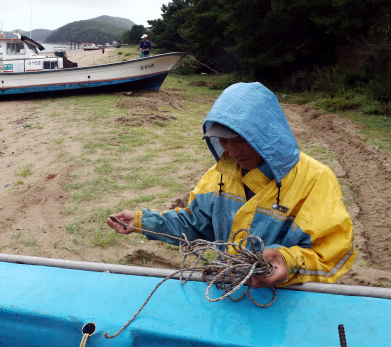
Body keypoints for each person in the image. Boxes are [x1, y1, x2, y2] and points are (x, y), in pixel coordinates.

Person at [107, 82, 355, 289]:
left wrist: (287, 261)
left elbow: (332, 255)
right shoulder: (219, 174)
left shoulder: (316, 179)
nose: (233, 151)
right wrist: (142, 222)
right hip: (232, 287)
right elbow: (194, 224)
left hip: (288, 294)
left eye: (240, 140)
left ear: (267, 134)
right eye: (223, 141)